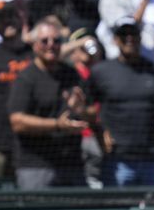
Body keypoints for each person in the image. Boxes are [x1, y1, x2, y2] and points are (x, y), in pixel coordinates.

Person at [86, 17, 154, 186]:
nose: (129, 38)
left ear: (140, 37)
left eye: (133, 33)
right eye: (123, 34)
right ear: (115, 39)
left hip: (151, 158)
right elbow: (87, 109)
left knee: (153, 209)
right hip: (117, 160)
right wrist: (99, 132)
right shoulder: (101, 72)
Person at [7, 18, 92, 189]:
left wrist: (81, 110)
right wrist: (56, 125)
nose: (51, 45)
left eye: (56, 41)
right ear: (35, 45)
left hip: (71, 165)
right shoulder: (26, 78)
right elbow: (17, 121)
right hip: (36, 166)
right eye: (45, 41)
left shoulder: (72, 75)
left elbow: (90, 114)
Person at [0, 5, 31, 181]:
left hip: (30, 143)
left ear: (21, 21)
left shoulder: (34, 54)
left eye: (12, 17)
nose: (8, 22)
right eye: (2, 19)